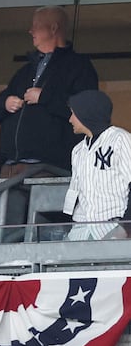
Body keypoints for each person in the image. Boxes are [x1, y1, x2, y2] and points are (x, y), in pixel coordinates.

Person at [0, 6, 98, 176]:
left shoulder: (78, 67)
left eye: (36, 25)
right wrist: (5, 103)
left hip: (50, 168)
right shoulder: (25, 71)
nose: (30, 30)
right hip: (11, 167)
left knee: (45, 204)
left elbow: (88, 112)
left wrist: (45, 97)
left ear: (53, 28)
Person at [63, 90, 131, 241]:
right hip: (81, 229)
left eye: (73, 113)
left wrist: (126, 228)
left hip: (113, 226)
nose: (70, 119)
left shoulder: (121, 139)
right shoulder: (78, 150)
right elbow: (74, 195)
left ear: (86, 113)